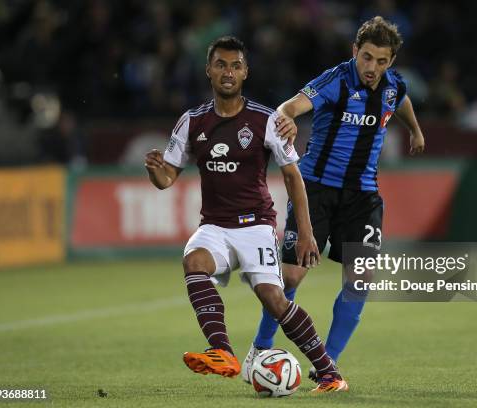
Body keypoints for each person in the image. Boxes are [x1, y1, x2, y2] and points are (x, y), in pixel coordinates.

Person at [144, 36, 348, 393]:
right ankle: (222, 351)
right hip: (214, 227)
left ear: (245, 72)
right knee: (194, 262)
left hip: (255, 226)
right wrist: (154, 169)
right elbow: (167, 179)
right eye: (221, 64)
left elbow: (292, 176)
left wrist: (305, 232)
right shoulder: (191, 122)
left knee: (274, 297)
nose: (228, 72)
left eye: (235, 66)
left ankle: (329, 373)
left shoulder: (267, 120)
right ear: (208, 70)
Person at [242, 16, 425, 382]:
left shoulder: (393, 86)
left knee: (359, 280)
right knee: (292, 275)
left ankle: (326, 365)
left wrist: (415, 131)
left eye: (382, 61)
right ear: (355, 51)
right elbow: (287, 107)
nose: (372, 68)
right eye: (367, 58)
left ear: (391, 62)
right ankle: (260, 349)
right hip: (316, 190)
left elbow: (401, 101)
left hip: (363, 196)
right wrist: (287, 120)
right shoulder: (335, 80)